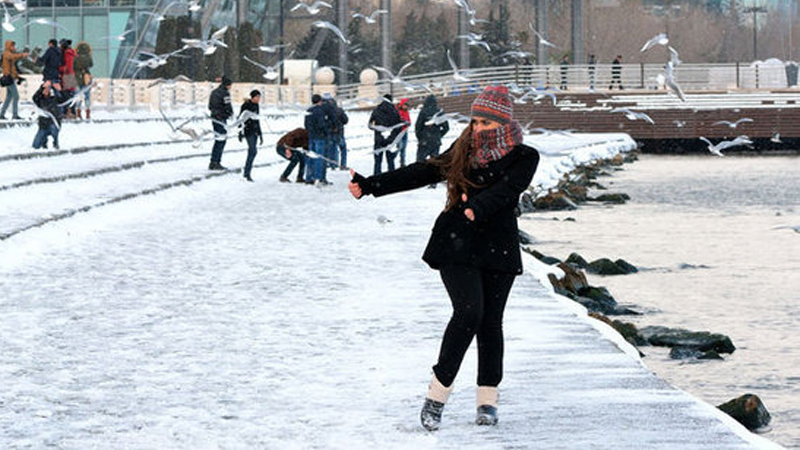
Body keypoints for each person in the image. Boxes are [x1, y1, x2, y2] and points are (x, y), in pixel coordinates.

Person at [348, 85, 540, 431]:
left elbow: (507, 190)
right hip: (457, 242)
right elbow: (424, 171)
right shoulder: (462, 149)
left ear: (502, 123)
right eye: (475, 120)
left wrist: (477, 208)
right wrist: (372, 185)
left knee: (490, 322)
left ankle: (487, 400)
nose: (477, 128)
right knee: (469, 312)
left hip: (498, 245)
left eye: (485, 122)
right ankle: (436, 397)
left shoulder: (526, 156)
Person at [414, 94, 450, 186]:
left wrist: (420, 137)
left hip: (424, 141)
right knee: (435, 163)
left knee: (420, 162)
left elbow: (418, 126)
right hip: (436, 142)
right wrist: (438, 136)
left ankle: (418, 180)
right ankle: (433, 182)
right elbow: (446, 127)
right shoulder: (440, 112)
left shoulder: (423, 111)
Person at [369, 93, 404, 175]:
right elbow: (398, 126)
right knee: (391, 161)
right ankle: (391, 179)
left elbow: (370, 125)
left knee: (378, 162)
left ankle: (376, 179)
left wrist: (378, 130)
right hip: (390, 139)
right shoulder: (394, 111)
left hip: (379, 138)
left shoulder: (376, 110)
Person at [303, 93, 331, 185]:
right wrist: (326, 131)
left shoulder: (308, 110)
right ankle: (318, 177)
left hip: (311, 136)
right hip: (320, 137)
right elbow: (321, 124)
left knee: (311, 157)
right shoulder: (320, 111)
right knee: (319, 158)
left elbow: (306, 125)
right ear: (320, 101)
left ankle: (309, 177)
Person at [208, 76, 233, 170]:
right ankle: (215, 162)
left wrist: (215, 112)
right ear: (227, 85)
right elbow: (228, 106)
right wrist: (229, 114)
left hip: (214, 118)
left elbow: (210, 106)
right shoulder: (225, 93)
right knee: (221, 140)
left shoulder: (214, 92)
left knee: (218, 139)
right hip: (221, 119)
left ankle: (213, 162)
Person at [238, 89, 263, 182]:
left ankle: (247, 173)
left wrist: (260, 133)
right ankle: (246, 173)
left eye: (259, 97)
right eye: (257, 97)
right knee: (253, 150)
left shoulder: (256, 106)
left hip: (255, 130)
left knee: (253, 152)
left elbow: (257, 119)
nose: (258, 99)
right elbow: (240, 119)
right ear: (252, 97)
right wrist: (240, 132)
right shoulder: (245, 106)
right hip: (248, 131)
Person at [1, 40, 29, 120]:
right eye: (12, 46)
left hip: (10, 78)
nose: (14, 47)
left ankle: (1, 114)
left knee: (9, 97)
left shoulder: (10, 54)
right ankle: (15, 115)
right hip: (8, 78)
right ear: (8, 46)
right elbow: (12, 57)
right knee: (16, 96)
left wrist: (17, 77)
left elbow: (12, 69)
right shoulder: (6, 53)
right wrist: (22, 55)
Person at [32, 80, 63, 149]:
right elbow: (34, 98)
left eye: (47, 89)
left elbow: (63, 100)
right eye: (44, 89)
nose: (46, 91)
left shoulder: (54, 99)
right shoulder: (39, 100)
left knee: (54, 130)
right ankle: (44, 142)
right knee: (35, 145)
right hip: (43, 125)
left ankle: (55, 143)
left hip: (53, 124)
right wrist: (42, 87)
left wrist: (59, 90)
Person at [73, 41, 93, 120]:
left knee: (79, 96)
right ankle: (88, 112)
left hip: (77, 77)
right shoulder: (88, 57)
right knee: (87, 96)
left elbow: (73, 66)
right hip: (86, 77)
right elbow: (91, 65)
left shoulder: (76, 57)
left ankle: (78, 113)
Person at [58, 39, 77, 119]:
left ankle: (68, 112)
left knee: (66, 95)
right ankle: (72, 112)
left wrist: (60, 69)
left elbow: (68, 67)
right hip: (72, 76)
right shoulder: (72, 52)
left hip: (67, 76)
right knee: (71, 95)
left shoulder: (67, 53)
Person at [329, 96, 349, 169]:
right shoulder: (339, 110)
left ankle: (333, 164)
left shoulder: (326, 112)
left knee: (333, 149)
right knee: (343, 149)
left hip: (330, 133)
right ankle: (343, 164)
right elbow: (346, 120)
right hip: (340, 132)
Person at [396, 98, 411, 167]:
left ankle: (402, 162)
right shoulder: (397, 111)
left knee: (404, 148)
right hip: (398, 132)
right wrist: (402, 122)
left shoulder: (406, 112)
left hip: (405, 131)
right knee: (400, 147)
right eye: (405, 105)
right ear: (402, 105)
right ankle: (393, 158)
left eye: (407, 106)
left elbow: (409, 121)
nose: (406, 107)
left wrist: (408, 123)